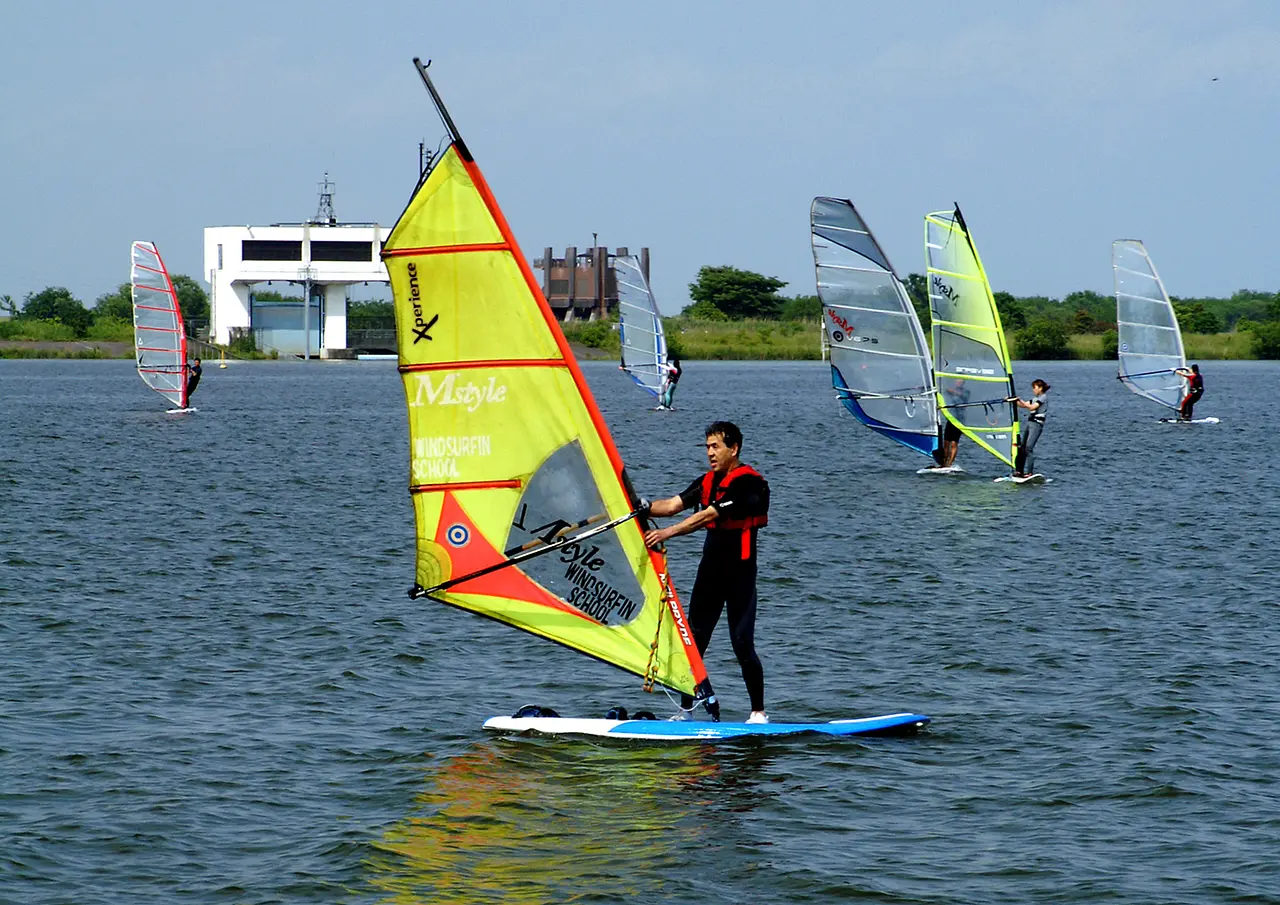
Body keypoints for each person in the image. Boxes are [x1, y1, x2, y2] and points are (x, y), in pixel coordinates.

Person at [642, 421, 770, 723]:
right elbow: (673, 505)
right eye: (707, 447)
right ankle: (686, 712)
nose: (710, 453)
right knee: (694, 641)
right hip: (710, 574)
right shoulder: (707, 481)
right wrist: (642, 505)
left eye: (716, 447)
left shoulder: (749, 484)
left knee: (742, 643)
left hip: (740, 576)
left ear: (733, 448)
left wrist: (666, 534)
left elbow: (706, 516)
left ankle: (758, 713)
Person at [1010, 379, 1050, 477]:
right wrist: (1014, 400)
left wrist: (1020, 400)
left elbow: (1032, 407)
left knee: (1029, 448)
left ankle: (1030, 472)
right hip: (1030, 423)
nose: (1033, 390)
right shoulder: (1034, 398)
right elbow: (1023, 405)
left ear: (1040, 388)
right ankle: (1019, 470)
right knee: (1022, 448)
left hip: (1036, 425)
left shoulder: (1043, 397)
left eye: (1035, 387)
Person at [928, 379, 967, 469]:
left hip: (959, 420)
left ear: (963, 383)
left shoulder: (966, 392)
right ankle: (944, 463)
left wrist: (949, 390)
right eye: (957, 381)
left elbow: (961, 395)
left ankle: (949, 464)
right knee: (946, 443)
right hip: (951, 419)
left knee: (954, 443)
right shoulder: (951, 391)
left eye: (960, 381)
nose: (957, 382)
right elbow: (941, 393)